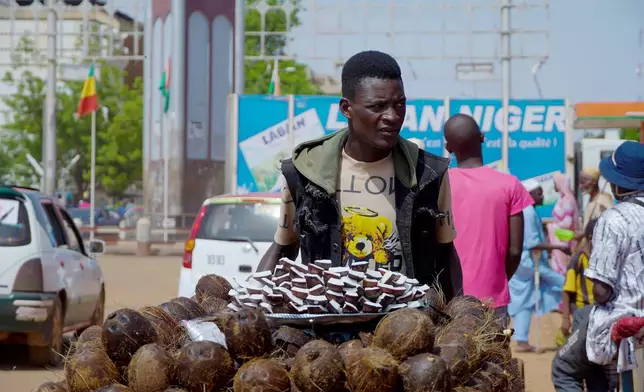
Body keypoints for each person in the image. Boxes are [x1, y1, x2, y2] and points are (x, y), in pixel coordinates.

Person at [257, 50, 462, 302]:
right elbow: (284, 246)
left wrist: (458, 319)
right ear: (346, 108)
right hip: (327, 335)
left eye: (400, 104)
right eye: (377, 106)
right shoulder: (304, 173)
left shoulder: (429, 174)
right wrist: (251, 305)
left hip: (405, 331)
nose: (393, 116)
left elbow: (445, 252)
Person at [551, 141, 644, 392]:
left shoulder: (614, 218)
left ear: (617, 182)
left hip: (622, 319)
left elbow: (601, 292)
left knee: (563, 369)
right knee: (583, 320)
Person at [443, 113, 534, 321]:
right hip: (492, 300)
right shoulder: (510, 185)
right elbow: (515, 250)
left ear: (448, 148)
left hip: (450, 300)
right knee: (494, 353)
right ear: (482, 137)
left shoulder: (441, 184)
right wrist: (498, 280)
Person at [508, 179, 566, 352]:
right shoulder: (528, 212)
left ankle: (522, 339)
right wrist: (558, 247)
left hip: (526, 262)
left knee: (525, 300)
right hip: (528, 263)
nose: (542, 196)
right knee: (564, 284)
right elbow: (532, 243)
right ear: (530, 194)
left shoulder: (528, 211)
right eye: (539, 192)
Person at [561, 218, 597, 337]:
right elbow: (567, 290)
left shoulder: (602, 260)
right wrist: (566, 319)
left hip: (598, 314)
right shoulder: (578, 260)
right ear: (591, 238)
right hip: (581, 312)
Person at [546, 174, 580, 276]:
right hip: (561, 239)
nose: (554, 186)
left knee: (561, 270)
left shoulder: (567, 200)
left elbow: (567, 222)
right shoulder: (564, 198)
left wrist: (552, 226)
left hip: (563, 241)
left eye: (555, 183)